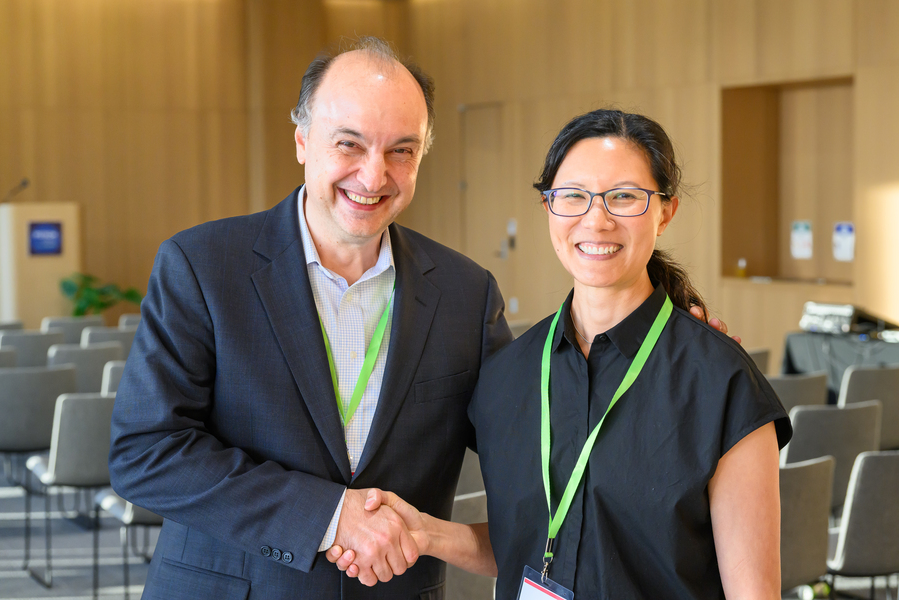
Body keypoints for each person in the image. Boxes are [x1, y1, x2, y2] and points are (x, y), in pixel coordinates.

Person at [108, 38, 513, 599]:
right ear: (302, 141)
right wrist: (328, 516)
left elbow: (530, 455)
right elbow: (146, 453)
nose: (373, 176)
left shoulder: (467, 293)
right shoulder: (202, 265)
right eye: (349, 144)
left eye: (401, 150)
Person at [329, 109, 791, 599]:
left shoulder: (721, 381)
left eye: (624, 197)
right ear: (548, 206)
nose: (597, 219)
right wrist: (427, 534)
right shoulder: (508, 375)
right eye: (573, 196)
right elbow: (529, 543)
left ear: (665, 211)